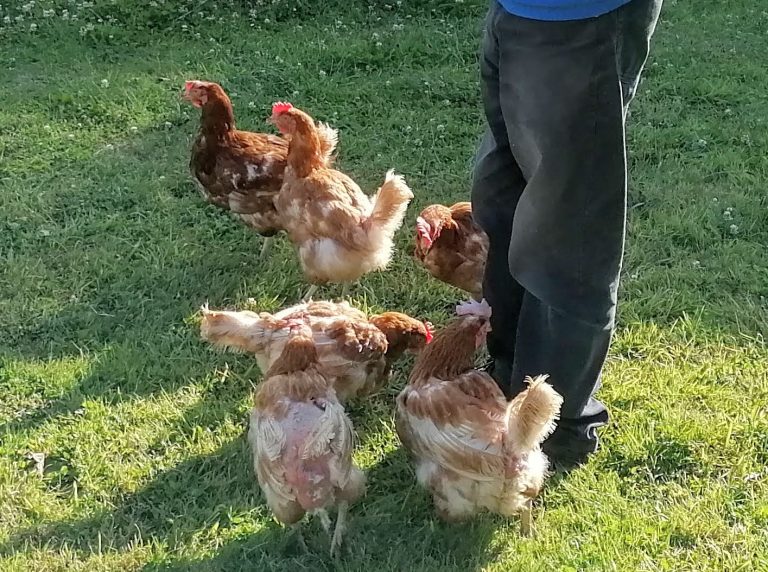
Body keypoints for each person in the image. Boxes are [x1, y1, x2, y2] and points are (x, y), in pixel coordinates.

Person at [472, 0, 663, 469]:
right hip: (521, 14)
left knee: (568, 231)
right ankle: (509, 378)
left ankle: (554, 424)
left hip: (579, 17)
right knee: (502, 199)